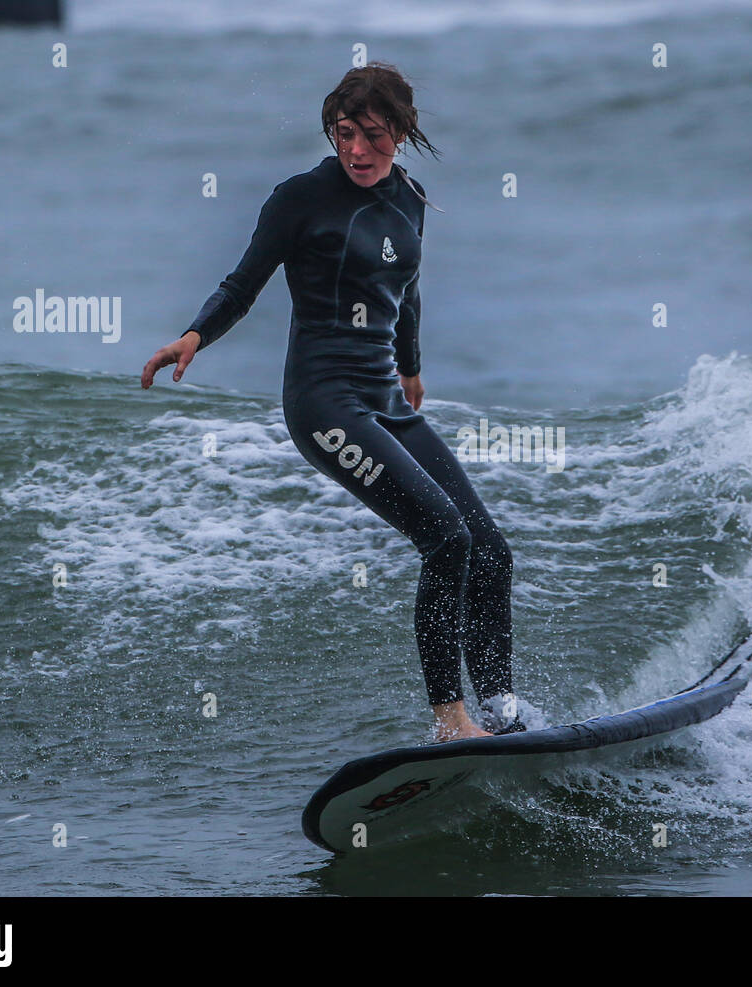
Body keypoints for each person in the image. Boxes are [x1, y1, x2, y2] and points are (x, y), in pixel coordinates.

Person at [141, 62, 524, 742]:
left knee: (488, 548)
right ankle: (451, 719)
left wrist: (410, 368)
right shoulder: (299, 199)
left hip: (384, 398)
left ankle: (502, 715)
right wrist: (195, 334)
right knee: (445, 538)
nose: (357, 151)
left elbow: (406, 289)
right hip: (324, 403)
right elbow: (241, 285)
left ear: (402, 133)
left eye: (374, 137)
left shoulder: (410, 198)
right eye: (345, 134)